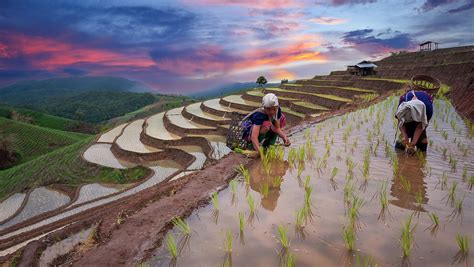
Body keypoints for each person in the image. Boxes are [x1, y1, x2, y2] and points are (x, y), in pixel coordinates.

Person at [395, 86, 434, 153]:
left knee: (422, 139)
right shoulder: (403, 104)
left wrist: (413, 143)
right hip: (407, 118)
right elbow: (400, 122)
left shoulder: (428, 109)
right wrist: (405, 136)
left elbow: (421, 126)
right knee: (402, 141)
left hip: (422, 114)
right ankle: (399, 156)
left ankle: (421, 158)